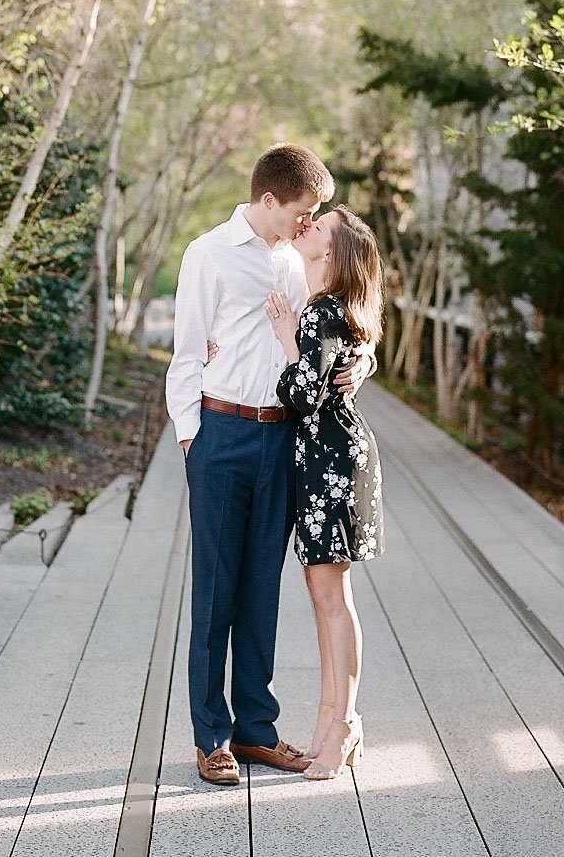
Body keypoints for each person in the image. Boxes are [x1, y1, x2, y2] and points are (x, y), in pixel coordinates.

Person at [166, 145, 374, 787]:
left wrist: (360, 366)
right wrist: (190, 437)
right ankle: (212, 737)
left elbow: (343, 327)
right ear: (269, 202)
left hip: (284, 441)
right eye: (303, 209)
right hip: (221, 433)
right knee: (216, 588)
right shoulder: (208, 254)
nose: (309, 222)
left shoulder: (299, 260)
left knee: (261, 589)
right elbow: (184, 353)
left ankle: (256, 731)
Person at [265, 204, 384, 781]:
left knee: (333, 600)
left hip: (333, 460)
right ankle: (329, 721)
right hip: (329, 459)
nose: (308, 225)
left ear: (333, 254)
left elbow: (302, 394)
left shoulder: (318, 314)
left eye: (322, 227)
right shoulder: (324, 307)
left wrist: (288, 341)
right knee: (325, 597)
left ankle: (344, 725)